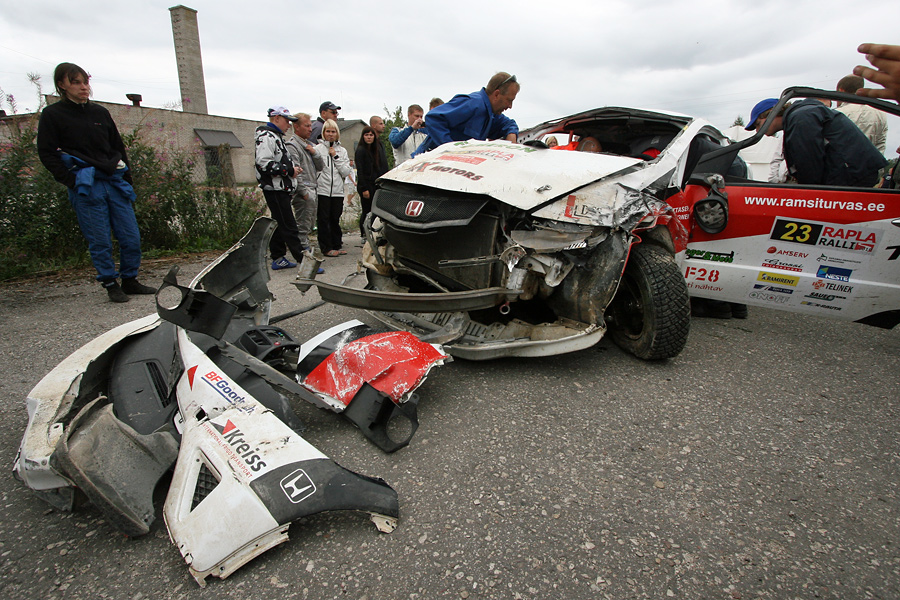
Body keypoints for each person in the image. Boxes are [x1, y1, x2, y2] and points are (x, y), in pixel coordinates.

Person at [37, 62, 155, 303]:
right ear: (62, 85)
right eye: (76, 82)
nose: (83, 87)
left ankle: (130, 279)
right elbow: (46, 152)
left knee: (130, 235)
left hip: (114, 181)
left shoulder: (100, 113)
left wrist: (127, 178)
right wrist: (71, 180)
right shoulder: (53, 114)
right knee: (99, 239)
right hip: (86, 184)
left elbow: (117, 146)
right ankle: (110, 283)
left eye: (85, 82)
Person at [745, 96, 886, 187]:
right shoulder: (801, 115)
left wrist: (808, 194)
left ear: (770, 113)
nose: (758, 131)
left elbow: (809, 162)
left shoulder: (800, 118)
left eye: (758, 124)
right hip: (853, 174)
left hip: (852, 177)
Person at [413, 72, 520, 157]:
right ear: (496, 94)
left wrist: (512, 134)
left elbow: (509, 124)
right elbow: (433, 118)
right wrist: (451, 150)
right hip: (427, 162)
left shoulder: (491, 115)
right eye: (509, 100)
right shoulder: (473, 104)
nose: (510, 106)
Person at [255, 105, 306, 271]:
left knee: (278, 223)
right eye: (287, 121)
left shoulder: (275, 136)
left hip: (281, 188)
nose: (289, 125)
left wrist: (292, 170)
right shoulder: (266, 137)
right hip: (274, 189)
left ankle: (278, 257)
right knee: (289, 225)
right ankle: (304, 262)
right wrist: (289, 171)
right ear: (276, 118)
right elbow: (263, 163)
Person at [285, 112, 325, 274]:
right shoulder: (292, 146)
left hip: (313, 188)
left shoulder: (309, 145)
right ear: (296, 127)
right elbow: (296, 172)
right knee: (302, 227)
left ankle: (307, 258)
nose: (310, 129)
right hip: (305, 191)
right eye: (307, 126)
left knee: (308, 225)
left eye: (310, 125)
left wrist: (314, 152)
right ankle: (306, 263)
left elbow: (321, 166)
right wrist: (304, 192)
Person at [315, 119, 352, 257]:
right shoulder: (317, 149)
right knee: (323, 219)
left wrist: (335, 156)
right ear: (323, 132)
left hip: (337, 190)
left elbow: (346, 171)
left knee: (335, 218)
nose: (330, 134)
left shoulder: (342, 151)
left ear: (337, 133)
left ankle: (337, 244)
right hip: (322, 189)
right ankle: (326, 247)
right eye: (328, 131)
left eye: (333, 131)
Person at [836, 74, 888, 153]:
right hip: (871, 159)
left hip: (844, 159)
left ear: (841, 91)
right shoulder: (880, 113)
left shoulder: (838, 113)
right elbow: (881, 144)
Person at [355, 126, 387, 238]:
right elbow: (360, 171)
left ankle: (372, 232)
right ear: (363, 137)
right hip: (365, 185)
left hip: (375, 184)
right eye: (366, 135)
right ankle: (364, 234)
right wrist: (364, 188)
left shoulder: (376, 150)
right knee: (367, 211)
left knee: (375, 211)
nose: (369, 137)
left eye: (371, 135)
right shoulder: (360, 150)